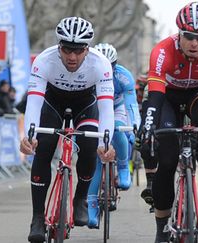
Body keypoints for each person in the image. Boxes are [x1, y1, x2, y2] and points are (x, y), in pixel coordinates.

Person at [137, 2, 198, 242]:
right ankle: (161, 227)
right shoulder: (161, 51)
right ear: (179, 35)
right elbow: (156, 96)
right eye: (189, 36)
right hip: (167, 96)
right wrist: (148, 128)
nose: (194, 43)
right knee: (168, 159)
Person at [19, 17, 116, 242]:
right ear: (59, 46)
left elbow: (106, 107)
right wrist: (29, 137)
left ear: (87, 49)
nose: (72, 57)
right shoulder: (44, 60)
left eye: (78, 51)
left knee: (90, 145)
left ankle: (80, 198)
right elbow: (34, 101)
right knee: (42, 149)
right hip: (53, 103)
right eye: (67, 50)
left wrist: (106, 143)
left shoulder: (100, 64)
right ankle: (37, 217)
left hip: (86, 104)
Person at [87, 43, 140, 228]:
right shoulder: (87, 73)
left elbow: (131, 104)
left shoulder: (123, 76)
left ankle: (124, 167)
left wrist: (135, 125)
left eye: (111, 66)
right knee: (96, 158)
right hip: (95, 109)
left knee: (118, 129)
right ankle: (91, 204)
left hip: (116, 108)